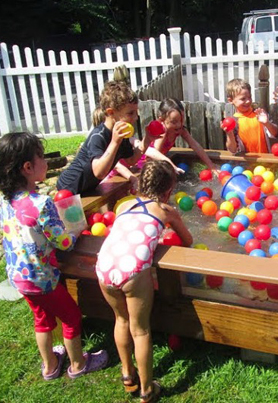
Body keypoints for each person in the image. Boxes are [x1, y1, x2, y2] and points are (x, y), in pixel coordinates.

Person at [0, 132, 108, 380]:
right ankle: (78, 364)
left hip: (20, 278)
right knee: (70, 317)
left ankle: (49, 366)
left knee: (42, 319)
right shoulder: (41, 204)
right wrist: (77, 233)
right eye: (41, 157)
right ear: (27, 167)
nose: (46, 162)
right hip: (43, 279)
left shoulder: (6, 202)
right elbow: (62, 241)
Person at [96, 160, 193, 402]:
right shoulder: (166, 211)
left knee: (121, 319)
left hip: (104, 266)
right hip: (133, 270)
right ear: (169, 190)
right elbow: (188, 240)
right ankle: (148, 389)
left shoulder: (124, 206)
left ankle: (128, 375)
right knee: (140, 330)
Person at [57, 81, 152, 195]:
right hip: (69, 187)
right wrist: (114, 142)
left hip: (88, 187)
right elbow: (98, 172)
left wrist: (147, 139)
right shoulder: (98, 136)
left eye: (136, 112)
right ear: (111, 112)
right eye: (130, 113)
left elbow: (131, 160)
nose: (136, 117)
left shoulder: (121, 134)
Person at [137, 98, 219, 176]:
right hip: (143, 164)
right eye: (174, 122)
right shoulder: (162, 131)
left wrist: (211, 166)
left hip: (159, 160)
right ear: (161, 120)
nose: (179, 125)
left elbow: (195, 146)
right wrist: (171, 167)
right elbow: (155, 153)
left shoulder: (181, 130)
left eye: (181, 120)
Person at [222, 78, 278, 153]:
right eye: (243, 99)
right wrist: (229, 134)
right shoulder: (234, 122)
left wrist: (267, 123)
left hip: (265, 159)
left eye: (249, 97)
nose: (248, 101)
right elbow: (232, 150)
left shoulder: (258, 114)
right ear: (231, 100)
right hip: (247, 162)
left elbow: (276, 133)